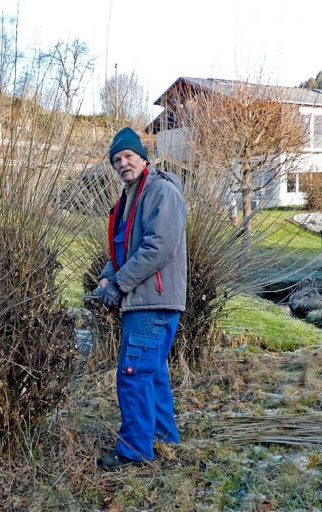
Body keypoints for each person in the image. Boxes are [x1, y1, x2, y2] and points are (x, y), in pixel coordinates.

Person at [96, 127, 188, 471]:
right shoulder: (131, 196)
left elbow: (156, 248)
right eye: (117, 160)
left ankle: (135, 450)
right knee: (152, 373)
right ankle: (164, 438)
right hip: (148, 298)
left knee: (133, 374)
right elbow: (124, 246)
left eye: (128, 157)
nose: (123, 163)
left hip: (152, 300)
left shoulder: (160, 192)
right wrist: (108, 274)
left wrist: (119, 285)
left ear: (143, 158)